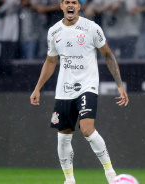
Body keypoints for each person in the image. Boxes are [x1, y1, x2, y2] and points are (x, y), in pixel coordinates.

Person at [30, 0, 129, 184]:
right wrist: (37, 88)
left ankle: (110, 173)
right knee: (63, 138)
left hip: (87, 86)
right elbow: (51, 62)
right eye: (67, 2)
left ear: (79, 7)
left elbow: (108, 54)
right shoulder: (54, 31)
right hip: (64, 90)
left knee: (87, 129)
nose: (71, 5)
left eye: (74, 2)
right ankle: (69, 180)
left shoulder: (91, 28)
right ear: (61, 6)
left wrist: (120, 84)